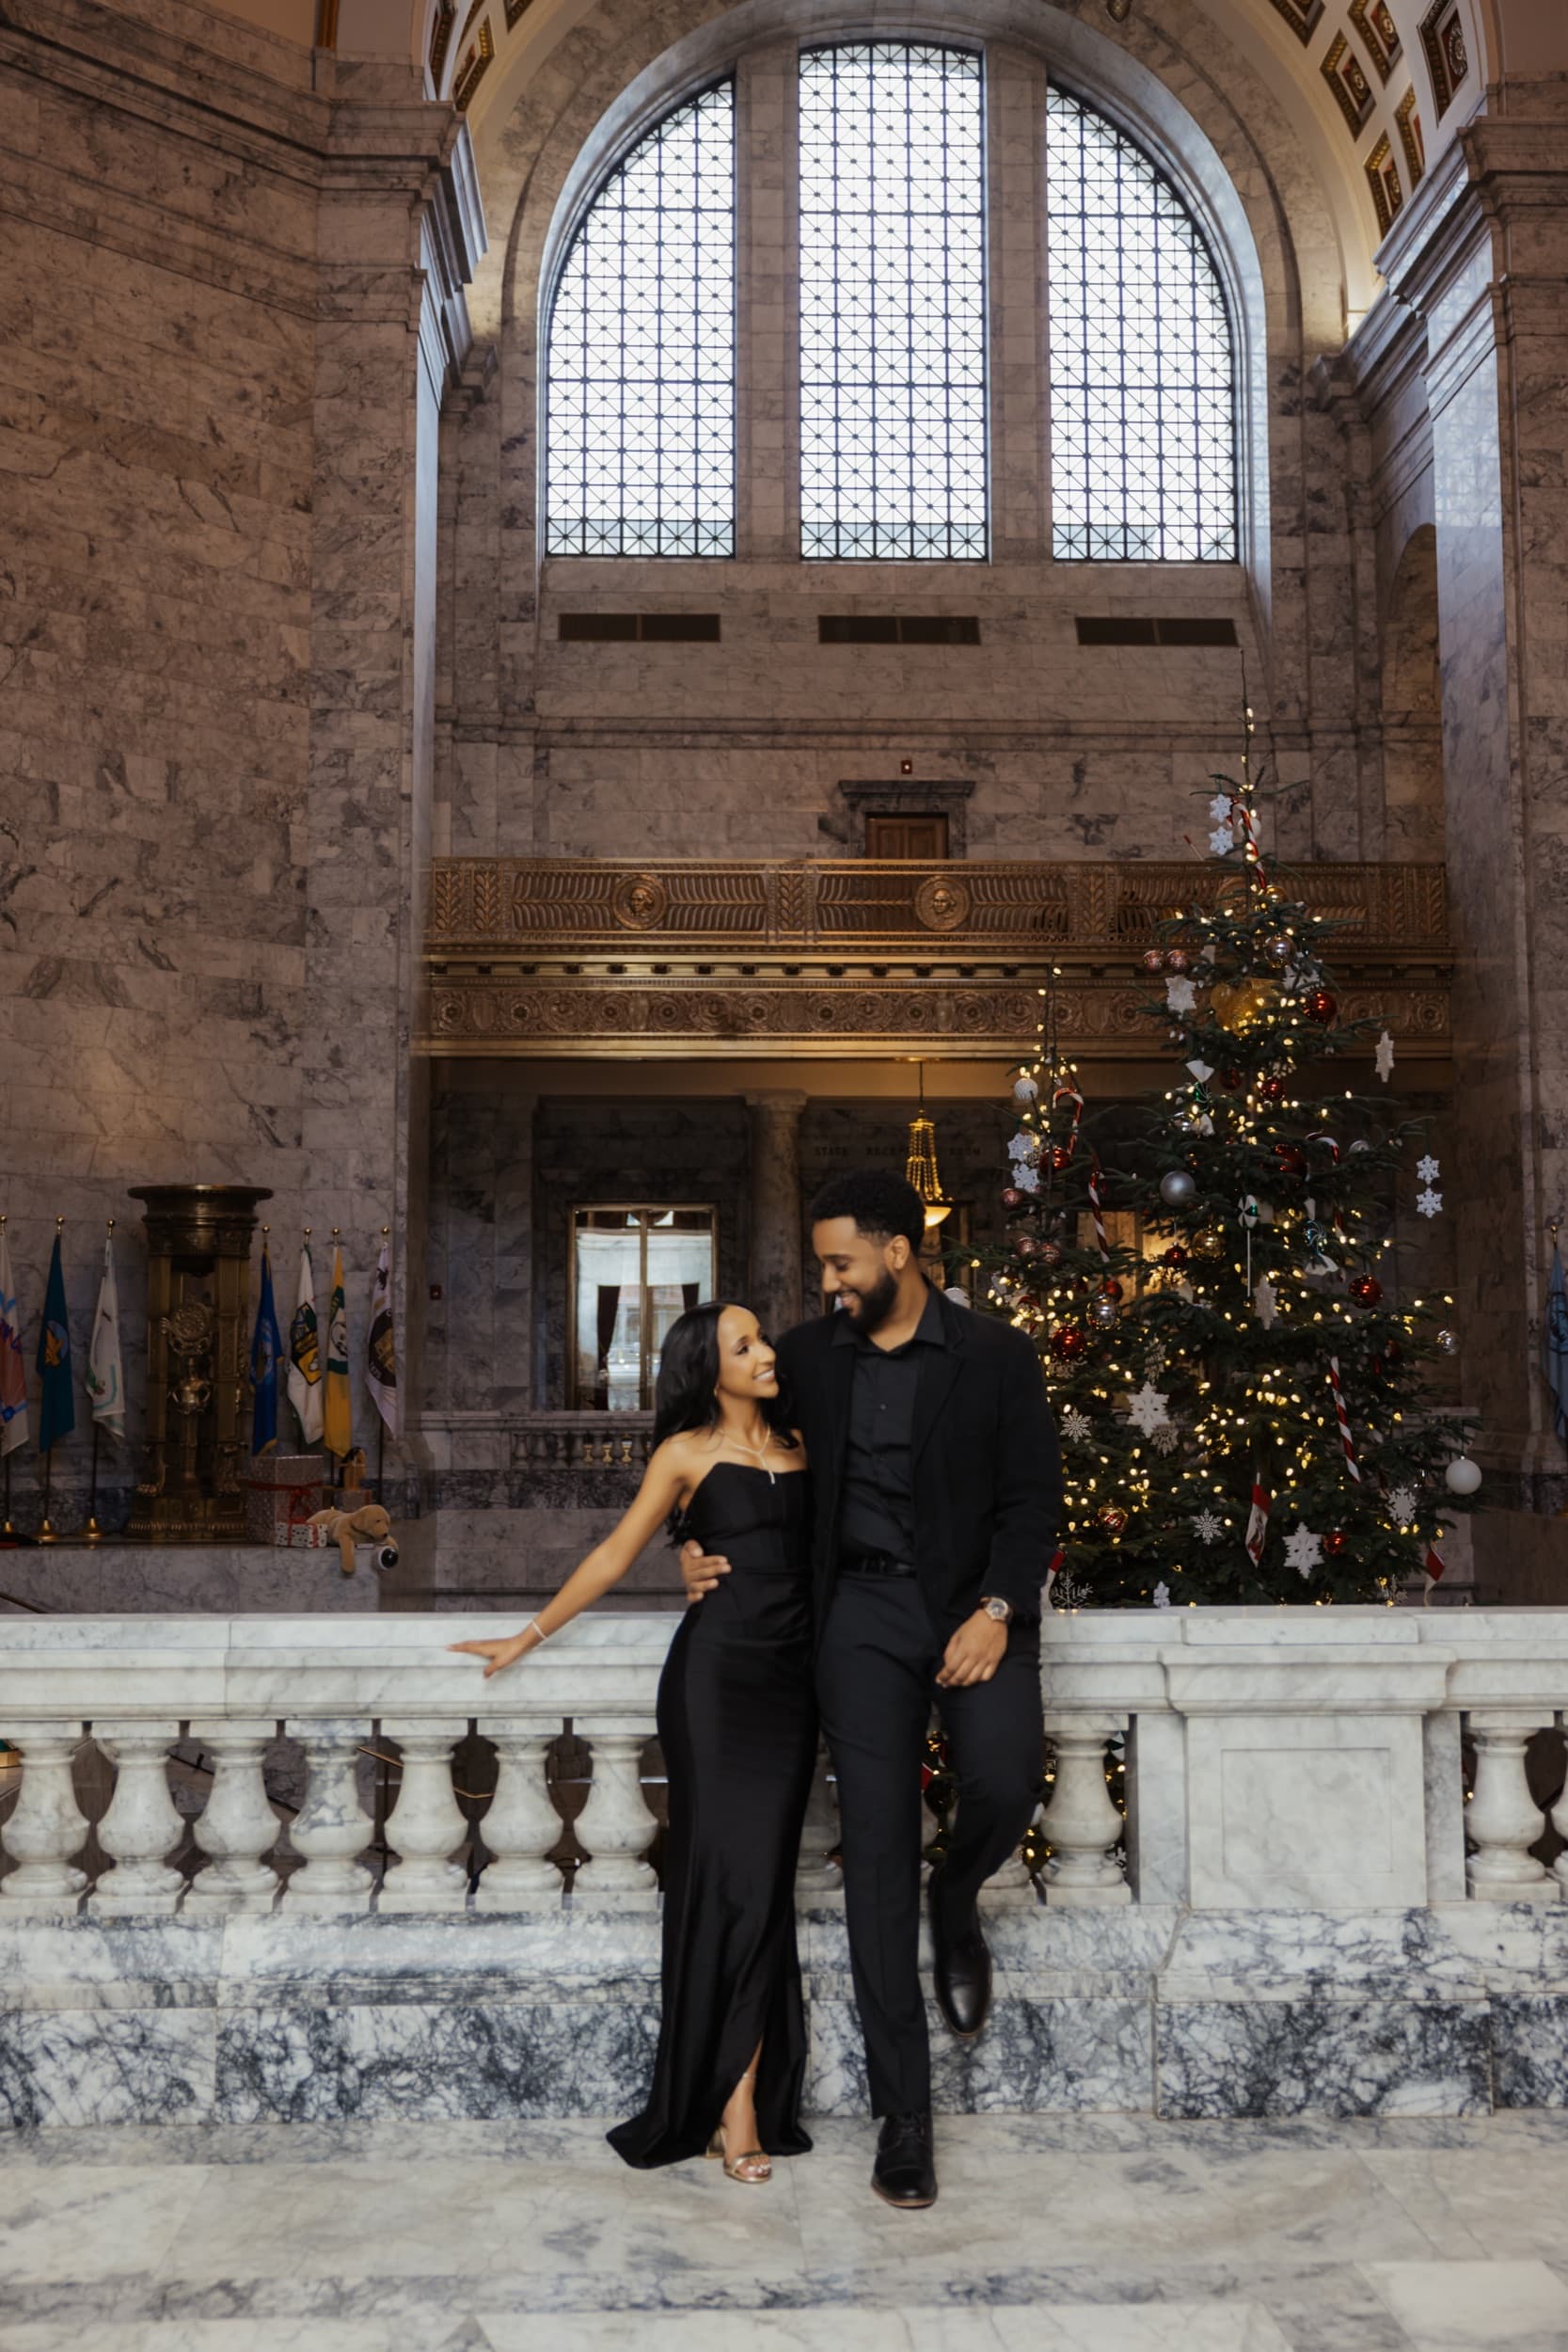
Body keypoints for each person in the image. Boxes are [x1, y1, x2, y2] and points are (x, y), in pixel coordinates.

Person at [681, 1169, 1061, 2210]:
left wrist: (994, 1607)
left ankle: (959, 1892)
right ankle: (906, 2118)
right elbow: (716, 1433)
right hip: (855, 1617)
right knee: (874, 1859)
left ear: (898, 1251)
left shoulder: (996, 1356)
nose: (828, 1282)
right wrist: (690, 1538)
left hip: (972, 1611)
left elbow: (1033, 1500)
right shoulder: (806, 1356)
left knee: (1002, 1784)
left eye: (840, 1262)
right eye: (822, 1267)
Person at [452, 1299, 816, 2185]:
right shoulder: (684, 1454)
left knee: (765, 1888)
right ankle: (731, 2111)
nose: (765, 1351)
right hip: (714, 1686)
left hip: (794, 1687)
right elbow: (615, 1553)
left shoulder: (809, 1441)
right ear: (709, 1367)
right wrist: (525, 1637)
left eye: (762, 1336)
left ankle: (745, 2089)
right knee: (724, 1885)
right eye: (745, 1344)